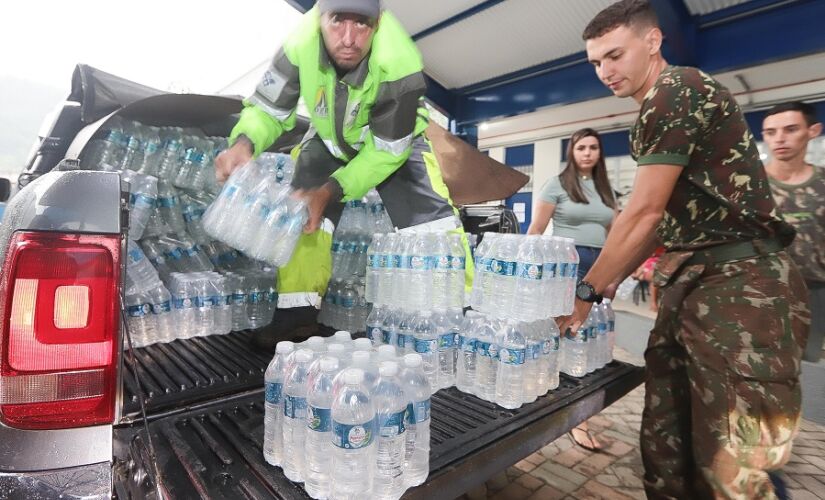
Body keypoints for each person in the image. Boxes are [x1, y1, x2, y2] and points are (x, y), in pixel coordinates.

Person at [559, 1, 810, 498]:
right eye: (595, 63)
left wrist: (586, 291)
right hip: (692, 281)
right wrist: (610, 279)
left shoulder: (677, 91)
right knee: (668, 437)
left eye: (614, 55)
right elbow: (662, 223)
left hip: (741, 288)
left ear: (652, 42)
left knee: (735, 464)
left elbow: (644, 212)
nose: (605, 71)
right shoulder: (655, 110)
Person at [215, 0, 470, 346]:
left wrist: (332, 190)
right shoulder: (298, 45)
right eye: (337, 21)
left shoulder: (399, 63)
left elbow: (385, 152)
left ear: (379, 22)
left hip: (392, 142)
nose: (348, 38)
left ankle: (464, 313)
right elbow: (268, 108)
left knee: (431, 220)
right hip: (330, 138)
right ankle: (297, 314)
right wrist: (244, 142)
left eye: (361, 23)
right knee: (302, 211)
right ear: (320, 18)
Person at [527, 128, 618, 451]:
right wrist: (528, 266)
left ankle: (578, 412)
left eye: (594, 147)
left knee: (589, 342)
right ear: (572, 152)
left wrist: (613, 276)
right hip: (568, 267)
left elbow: (615, 235)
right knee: (563, 334)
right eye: (582, 147)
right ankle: (549, 406)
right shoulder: (559, 184)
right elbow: (536, 229)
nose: (588, 153)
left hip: (600, 268)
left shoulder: (606, 189)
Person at [762, 101, 825, 362]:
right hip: (758, 293)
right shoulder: (748, 186)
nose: (780, 139)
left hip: (814, 294)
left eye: (790, 129)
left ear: (813, 131)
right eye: (771, 132)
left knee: (805, 371)